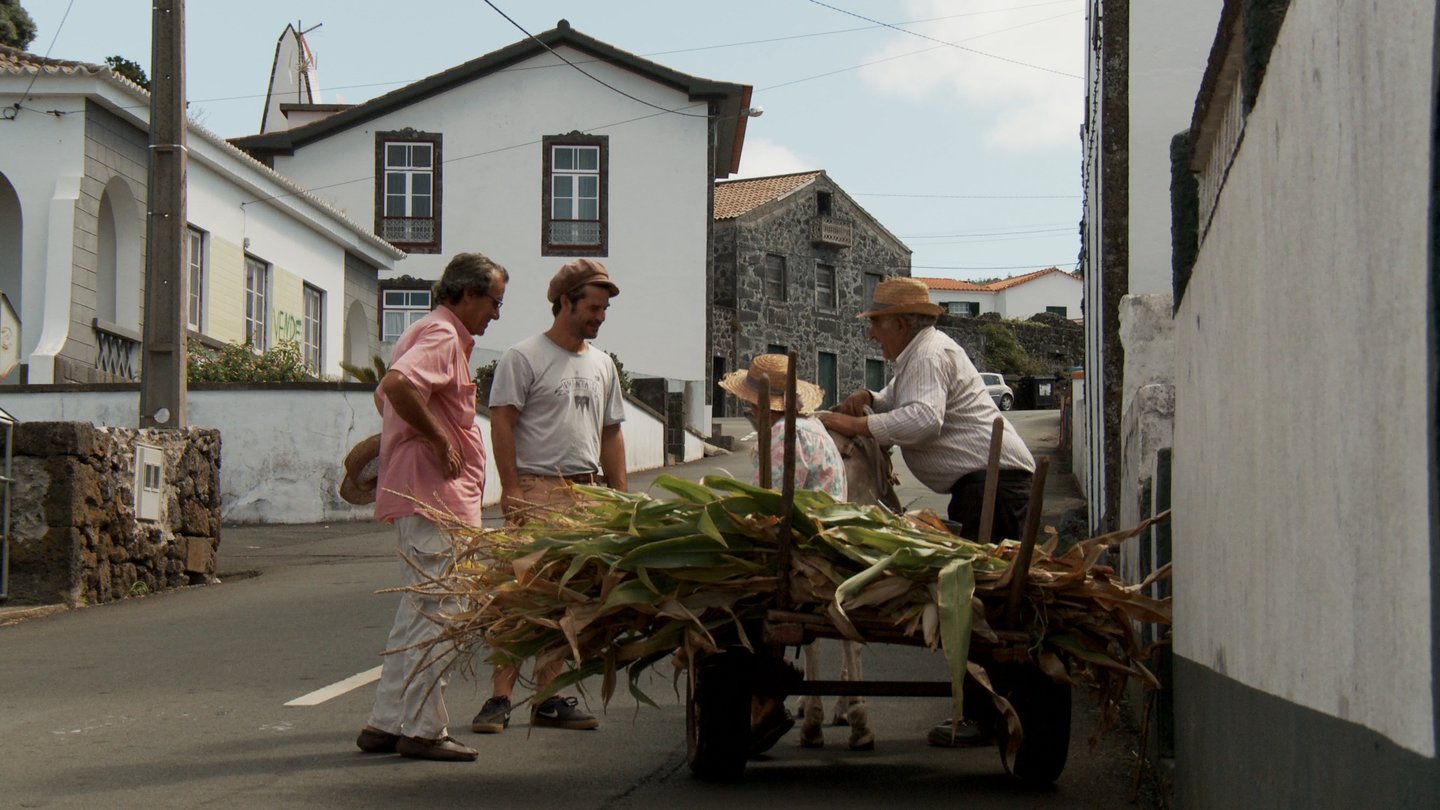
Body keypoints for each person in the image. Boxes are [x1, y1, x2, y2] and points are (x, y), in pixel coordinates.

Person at [815, 275, 1035, 748]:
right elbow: (898, 400)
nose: (872, 333)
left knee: (982, 605)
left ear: (899, 322)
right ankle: (990, 710)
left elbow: (923, 419)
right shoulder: (917, 356)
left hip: (994, 486)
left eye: (877, 324)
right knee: (980, 602)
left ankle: (986, 715)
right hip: (982, 486)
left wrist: (856, 422)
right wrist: (870, 400)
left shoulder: (930, 354)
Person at [355, 252, 509, 763]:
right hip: (436, 497)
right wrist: (440, 438)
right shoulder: (443, 336)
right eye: (493, 302)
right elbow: (397, 387)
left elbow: (387, 394)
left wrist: (425, 431)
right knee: (440, 614)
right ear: (465, 294)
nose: (495, 314)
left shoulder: (429, 330)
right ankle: (423, 728)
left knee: (417, 612)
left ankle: (385, 720)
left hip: (425, 495)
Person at [470, 258, 628, 735]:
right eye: (593, 308)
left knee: (569, 601)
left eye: (603, 310)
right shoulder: (525, 356)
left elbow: (611, 433)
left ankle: (548, 697)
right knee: (519, 597)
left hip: (587, 495)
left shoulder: (602, 365)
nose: (599, 317)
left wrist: (621, 499)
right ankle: (499, 698)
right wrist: (512, 489)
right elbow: (502, 421)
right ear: (565, 302)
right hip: (537, 490)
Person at [719, 353, 855, 752]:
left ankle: (765, 698)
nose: (746, 408)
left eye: (749, 402)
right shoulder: (815, 430)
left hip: (803, 557)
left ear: (763, 405)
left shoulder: (783, 438)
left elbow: (771, 511)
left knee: (735, 602)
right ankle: (771, 685)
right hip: (829, 548)